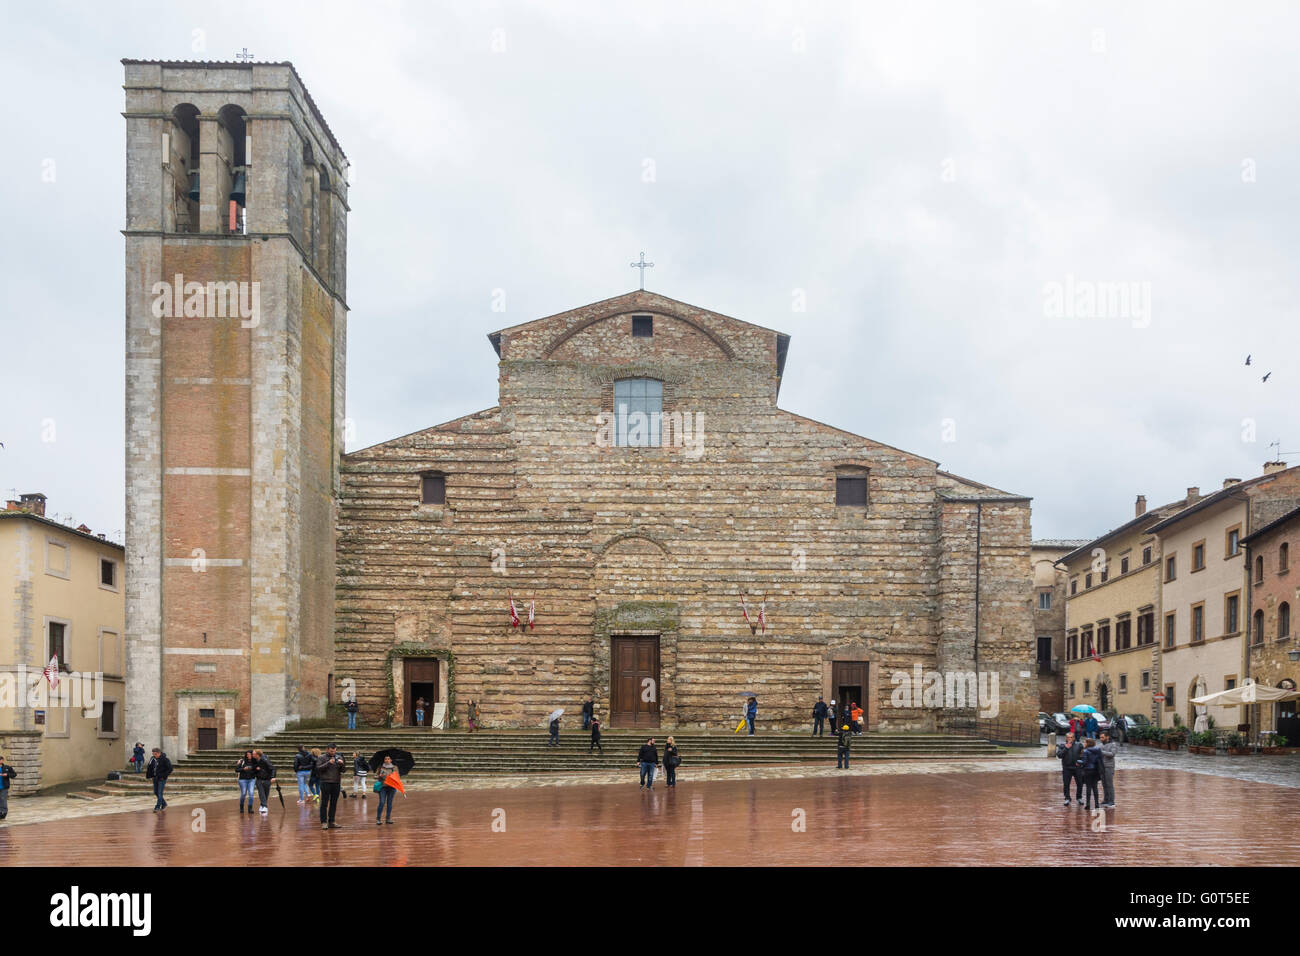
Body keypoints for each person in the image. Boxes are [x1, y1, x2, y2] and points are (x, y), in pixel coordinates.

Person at [316, 743, 347, 829]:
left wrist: (342, 764)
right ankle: (323, 822)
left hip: (336, 782)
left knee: (334, 803)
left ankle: (332, 821)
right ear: (327, 749)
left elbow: (344, 770)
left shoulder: (339, 757)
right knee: (324, 803)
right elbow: (318, 769)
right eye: (331, 751)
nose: (333, 752)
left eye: (334, 751)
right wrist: (328, 763)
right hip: (325, 782)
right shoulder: (321, 757)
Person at [1055, 733, 1083, 806]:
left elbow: (1083, 755)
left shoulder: (1079, 745)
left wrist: (1080, 762)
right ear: (1066, 738)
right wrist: (1066, 748)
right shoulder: (1062, 745)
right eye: (1068, 737)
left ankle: (1079, 797)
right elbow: (1059, 755)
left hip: (1077, 768)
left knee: (1080, 783)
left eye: (1071, 737)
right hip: (1067, 768)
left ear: (1074, 738)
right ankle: (1067, 798)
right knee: (1066, 784)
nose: (1070, 739)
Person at [1079, 737, 1103, 810]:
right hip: (1096, 771)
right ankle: (1096, 804)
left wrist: (1078, 762)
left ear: (1088, 743)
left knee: (1088, 787)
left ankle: (1088, 804)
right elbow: (1100, 760)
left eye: (1085, 742)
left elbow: (1084, 762)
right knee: (1095, 787)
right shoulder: (1098, 750)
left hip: (1088, 770)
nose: (1084, 743)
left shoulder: (1085, 751)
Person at [146, 747, 172, 812]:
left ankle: (157, 807)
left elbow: (170, 769)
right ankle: (164, 804)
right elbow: (149, 767)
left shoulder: (165, 759)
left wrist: (163, 776)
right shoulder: (152, 759)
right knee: (155, 792)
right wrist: (149, 776)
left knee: (160, 793)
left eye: (155, 754)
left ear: (159, 753)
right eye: (153, 754)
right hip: (155, 778)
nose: (154, 755)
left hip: (162, 778)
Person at [375, 755, 398, 824]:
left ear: (391, 760)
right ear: (384, 760)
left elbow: (397, 777)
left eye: (388, 759)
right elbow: (375, 776)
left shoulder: (394, 768)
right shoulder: (380, 767)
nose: (387, 760)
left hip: (391, 787)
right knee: (382, 802)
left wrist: (392, 777)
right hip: (383, 787)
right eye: (385, 759)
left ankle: (388, 819)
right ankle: (378, 819)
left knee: (389, 803)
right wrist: (379, 776)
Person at [1098, 731, 1119, 808]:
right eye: (1100, 737)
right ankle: (1106, 799)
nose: (1101, 739)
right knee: (1104, 784)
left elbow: (1112, 754)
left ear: (1107, 737)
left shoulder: (1113, 744)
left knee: (1109, 784)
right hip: (1102, 767)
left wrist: (1101, 752)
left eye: (1102, 737)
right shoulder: (1100, 745)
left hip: (1109, 767)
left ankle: (1111, 801)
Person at [252, 749, 276, 815]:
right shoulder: (254, 760)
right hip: (259, 779)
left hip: (267, 779)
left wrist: (273, 777)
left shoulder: (265, 760)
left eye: (253, 754)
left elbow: (273, 768)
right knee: (261, 792)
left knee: (266, 793)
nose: (252, 755)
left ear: (257, 755)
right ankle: (265, 806)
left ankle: (262, 805)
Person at [236, 750, 259, 814]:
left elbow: (256, 770)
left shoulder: (255, 761)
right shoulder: (242, 761)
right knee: (243, 794)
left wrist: (257, 769)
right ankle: (241, 807)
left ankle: (250, 808)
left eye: (250, 754)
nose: (249, 755)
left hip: (251, 779)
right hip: (242, 780)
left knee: (251, 794)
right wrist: (243, 769)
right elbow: (236, 770)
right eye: (247, 754)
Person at [0, 755, 17, 819]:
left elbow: (14, 774)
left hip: (4, 787)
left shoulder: (7, 767)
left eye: (1, 759)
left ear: (2, 760)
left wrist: (7, 774)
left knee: (3, 799)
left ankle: (3, 813)